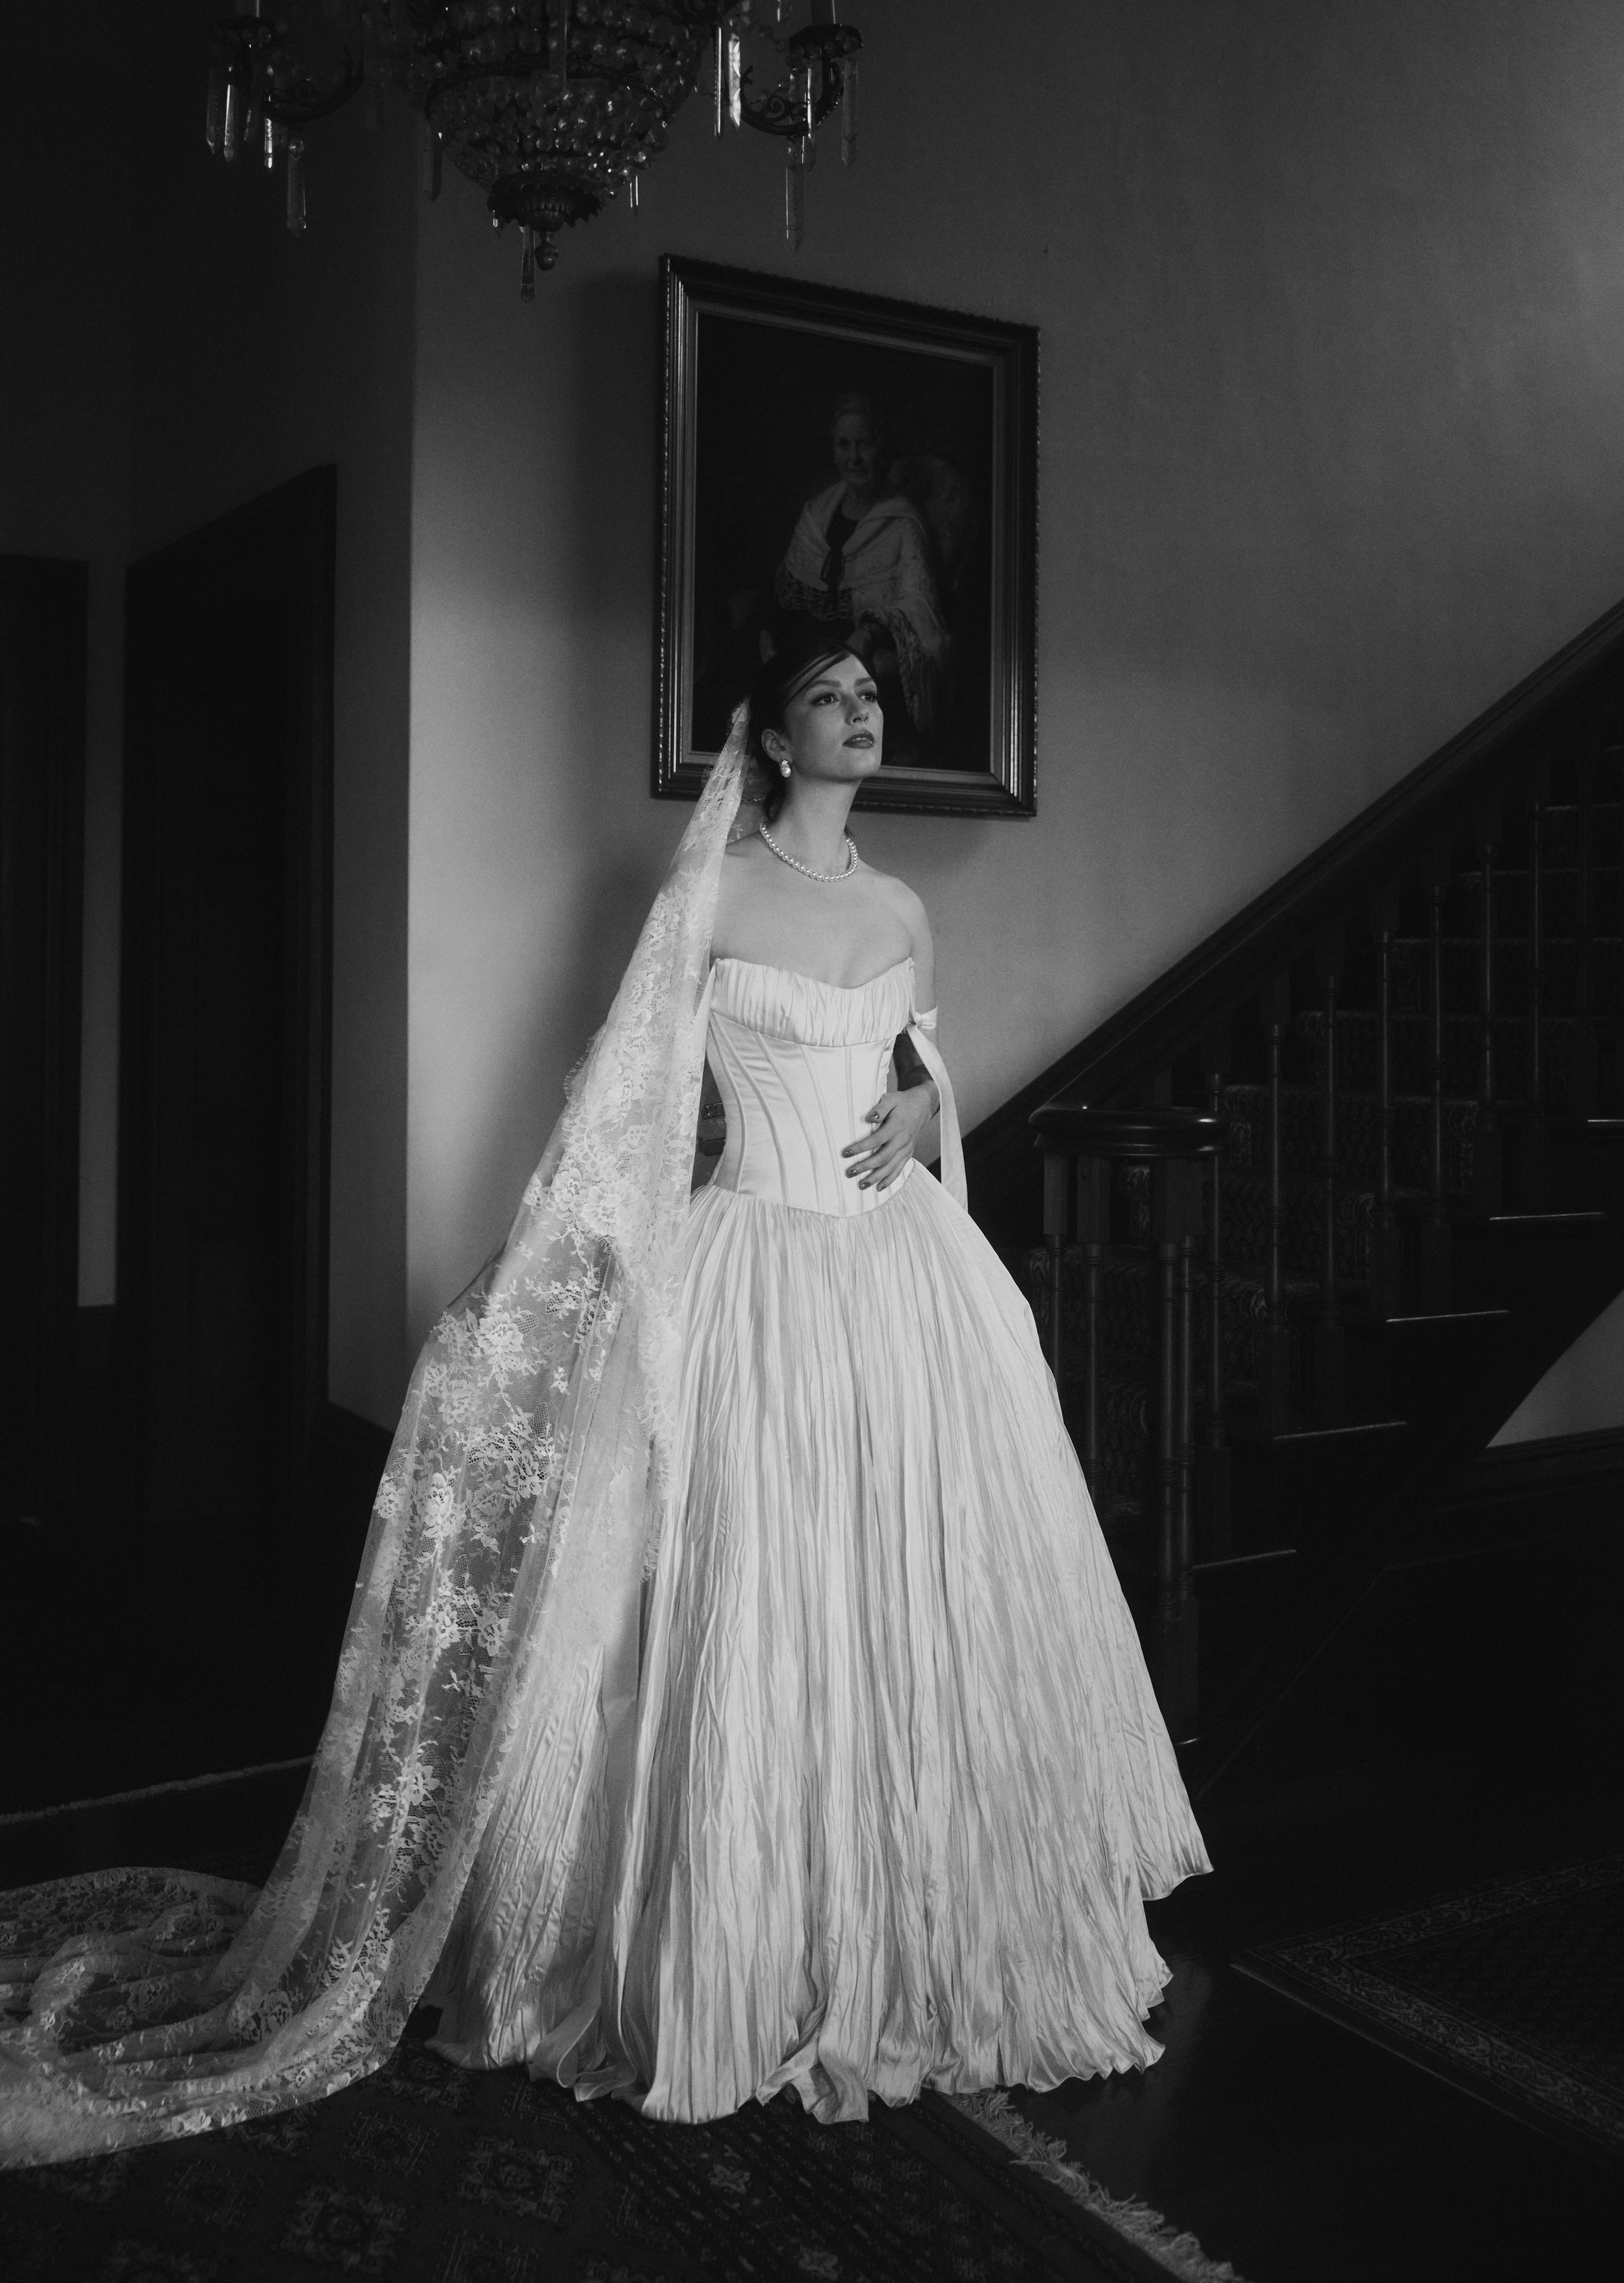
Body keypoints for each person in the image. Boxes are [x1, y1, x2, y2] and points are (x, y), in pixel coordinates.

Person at [0, 640, 1208, 2162]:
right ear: (769, 737)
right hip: (751, 1275)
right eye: (831, 695)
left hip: (904, 1285)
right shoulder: (710, 900)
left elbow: (911, 1064)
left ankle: (915, 1925)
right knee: (743, 1605)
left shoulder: (900, 907)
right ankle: (737, 1945)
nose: (863, 712)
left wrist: (918, 1099)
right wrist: (525, 1304)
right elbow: (617, 1109)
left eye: (870, 694)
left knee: (912, 1587)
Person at [774, 394, 952, 757]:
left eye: (864, 444)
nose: (853, 458)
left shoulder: (902, 525)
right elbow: (783, 597)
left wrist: (870, 632)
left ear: (882, 449)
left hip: (855, 675)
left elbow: (920, 610)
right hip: (798, 662)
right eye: (844, 445)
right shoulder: (817, 515)